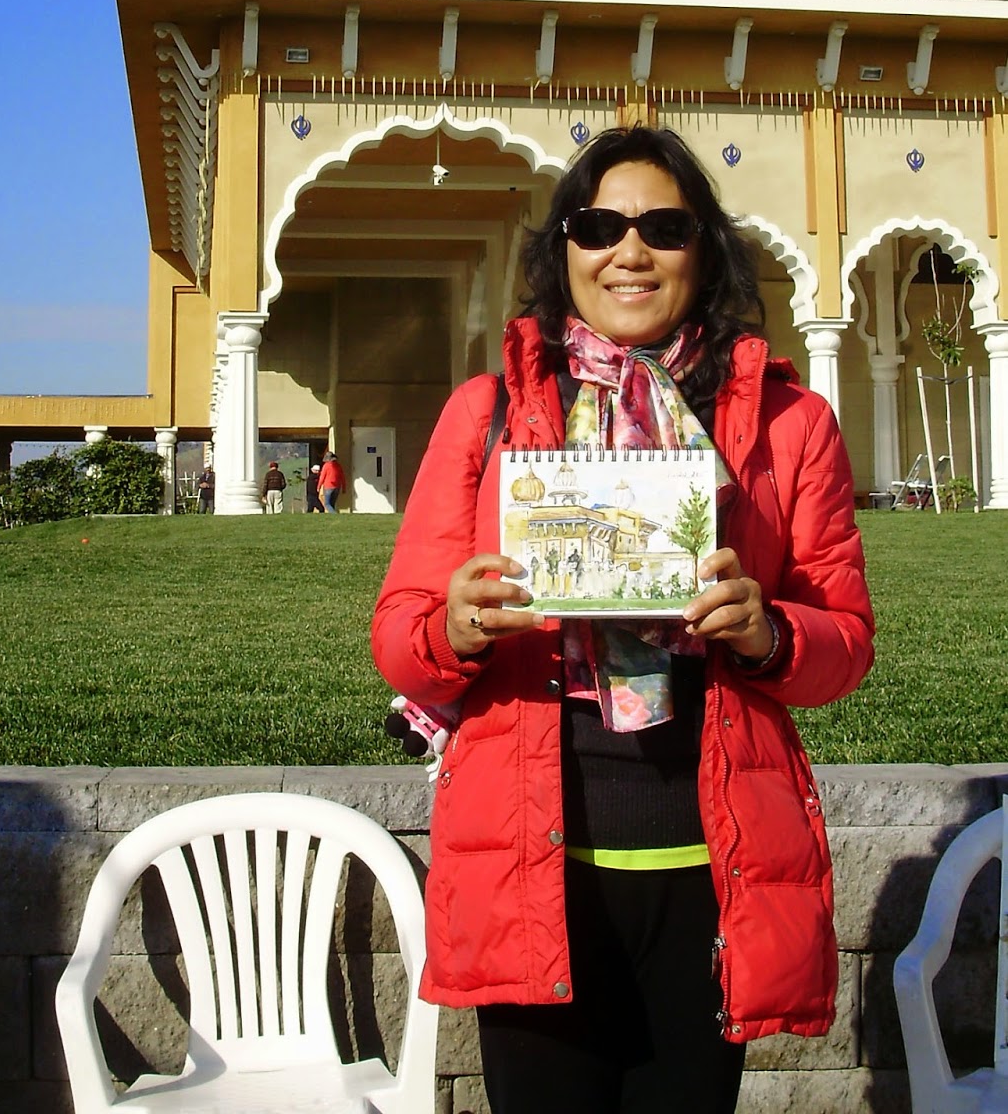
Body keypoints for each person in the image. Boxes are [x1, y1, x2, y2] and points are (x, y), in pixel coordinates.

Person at [372, 124, 874, 1114]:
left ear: (705, 250)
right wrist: (456, 625)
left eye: (664, 228)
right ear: (563, 248)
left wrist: (769, 632)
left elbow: (844, 642)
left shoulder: (787, 425)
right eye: (599, 226)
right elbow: (401, 636)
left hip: (711, 869)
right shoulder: (488, 414)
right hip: (532, 870)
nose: (628, 252)